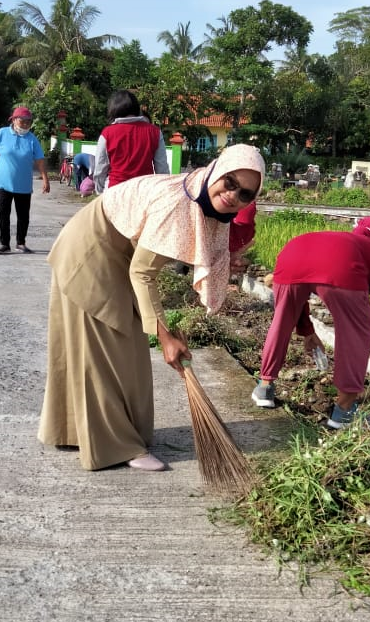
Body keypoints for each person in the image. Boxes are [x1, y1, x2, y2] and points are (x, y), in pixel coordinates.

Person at [37, 144, 265, 472]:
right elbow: (142, 273)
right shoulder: (180, 202)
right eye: (230, 182)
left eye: (245, 194)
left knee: (126, 351)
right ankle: (118, 446)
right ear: (217, 171)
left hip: (118, 255)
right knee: (105, 352)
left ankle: (77, 431)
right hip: (93, 252)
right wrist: (165, 335)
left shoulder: (208, 203)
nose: (233, 196)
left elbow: (197, 261)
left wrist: (169, 329)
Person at [251, 217, 370, 429]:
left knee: (281, 322)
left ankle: (264, 388)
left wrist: (307, 331)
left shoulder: (337, 239)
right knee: (356, 332)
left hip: (290, 257)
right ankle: (344, 412)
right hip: (341, 270)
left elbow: (303, 286)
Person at [0, 106, 50, 254]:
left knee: (23, 215)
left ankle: (21, 242)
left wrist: (45, 179)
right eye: (22, 121)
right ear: (14, 120)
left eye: (28, 122)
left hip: (23, 184)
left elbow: (40, 160)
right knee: (3, 213)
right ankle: (5, 244)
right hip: (2, 183)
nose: (25, 124)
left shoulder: (32, 139)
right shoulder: (2, 133)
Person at [93, 89, 169, 192]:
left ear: (113, 109)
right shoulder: (154, 132)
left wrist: (100, 192)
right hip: (144, 193)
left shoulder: (107, 133)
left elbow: (99, 169)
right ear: (136, 108)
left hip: (115, 193)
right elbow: (162, 170)